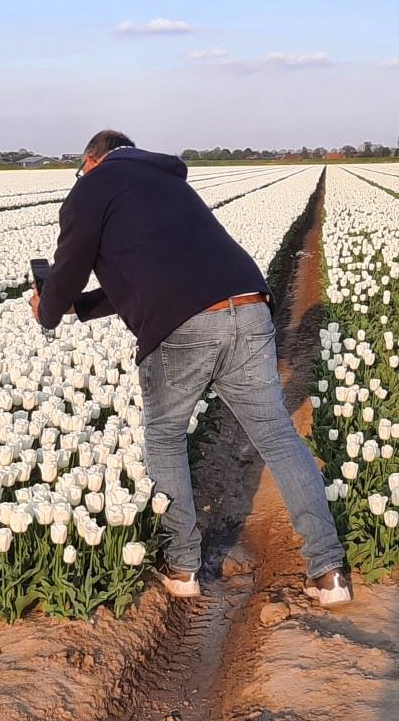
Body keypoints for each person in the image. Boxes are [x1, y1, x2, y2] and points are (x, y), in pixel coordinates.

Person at [29, 129, 351, 608]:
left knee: (165, 436)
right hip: (248, 304)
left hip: (185, 325)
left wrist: (49, 309)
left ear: (91, 160)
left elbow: (71, 269)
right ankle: (330, 574)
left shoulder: (92, 187)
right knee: (278, 437)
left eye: (81, 170)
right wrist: (80, 307)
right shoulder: (168, 183)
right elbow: (158, 274)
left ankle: (182, 567)